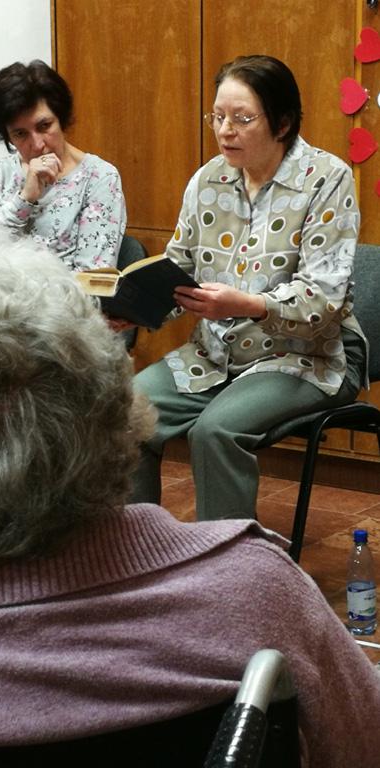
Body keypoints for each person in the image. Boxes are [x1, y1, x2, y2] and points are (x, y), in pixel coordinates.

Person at [0, 227, 379, 767]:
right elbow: (364, 743)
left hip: (297, 360)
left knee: (216, 428)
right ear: (115, 411)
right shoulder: (262, 592)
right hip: (211, 360)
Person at [130, 55, 366, 521]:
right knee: (123, 413)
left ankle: (230, 563)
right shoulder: (208, 180)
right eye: (218, 117)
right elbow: (179, 269)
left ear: (282, 123)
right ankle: (138, 551)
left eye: (242, 119)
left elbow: (324, 297)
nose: (225, 131)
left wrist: (252, 305)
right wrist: (134, 306)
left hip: (307, 355)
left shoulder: (327, 178)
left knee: (215, 431)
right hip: (216, 352)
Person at [0, 59, 126, 270]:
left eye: (44, 126)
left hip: (64, 292)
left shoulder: (100, 178)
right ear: (8, 137)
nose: (37, 144)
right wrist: (24, 199)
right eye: (20, 134)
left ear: (60, 118)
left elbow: (93, 278)